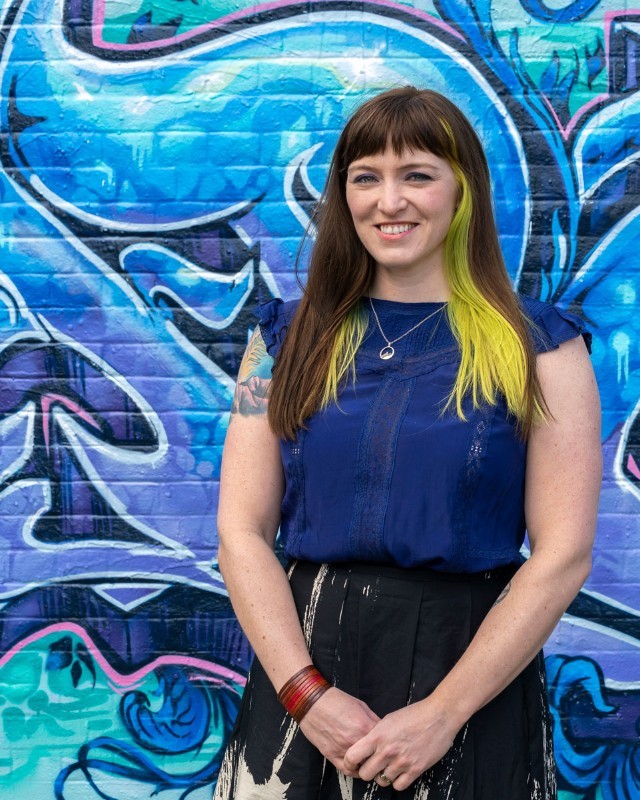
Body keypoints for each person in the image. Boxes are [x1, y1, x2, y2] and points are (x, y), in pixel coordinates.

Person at [212, 86, 601, 800]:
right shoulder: (281, 340)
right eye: (366, 177)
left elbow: (564, 553)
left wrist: (443, 714)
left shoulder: (542, 346)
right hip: (302, 673)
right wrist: (307, 696)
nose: (389, 201)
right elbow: (240, 531)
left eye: (416, 175)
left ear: (463, 191)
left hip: (468, 680)